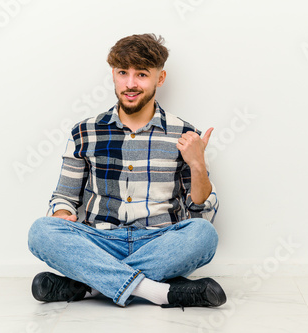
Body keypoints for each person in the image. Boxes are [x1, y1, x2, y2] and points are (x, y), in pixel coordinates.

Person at [27, 33, 226, 309]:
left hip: (159, 242)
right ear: (113, 75)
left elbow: (200, 210)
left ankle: (89, 288)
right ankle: (160, 292)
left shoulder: (185, 134)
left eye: (142, 74)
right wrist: (63, 215)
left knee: (203, 234)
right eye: (123, 73)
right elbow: (63, 197)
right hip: (100, 241)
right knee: (41, 231)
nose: (130, 84)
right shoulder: (85, 132)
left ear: (160, 78)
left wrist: (198, 165)